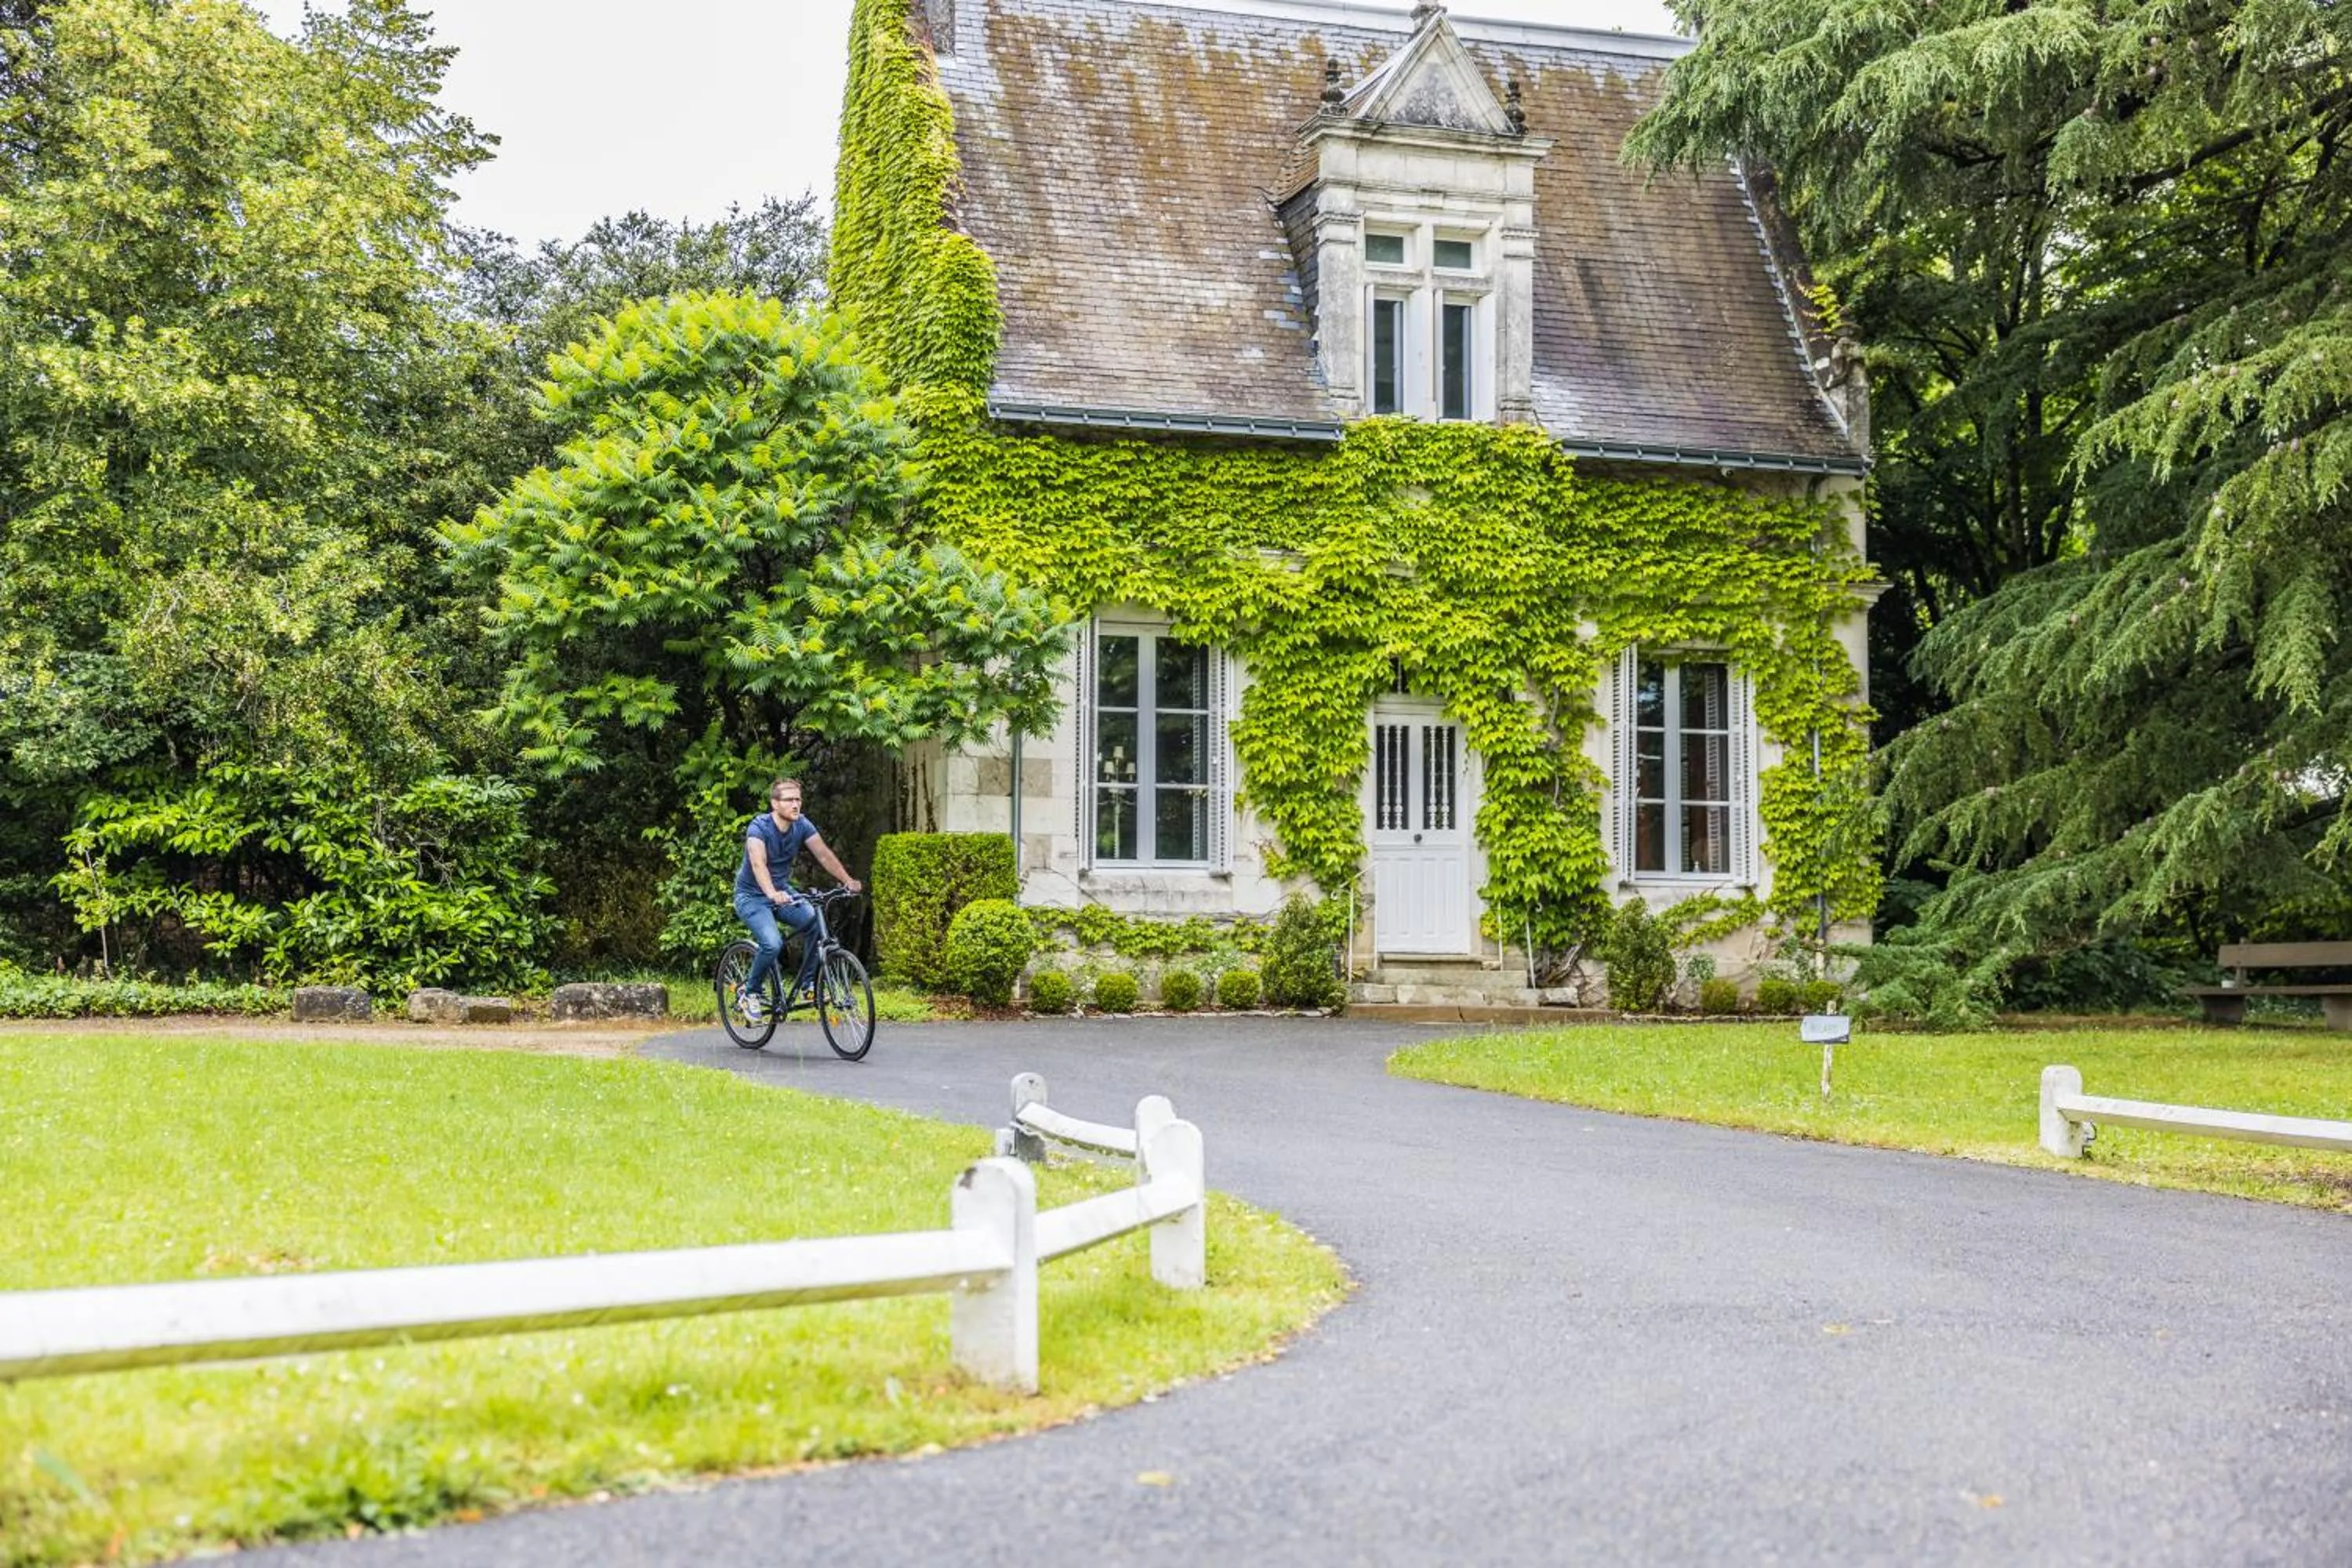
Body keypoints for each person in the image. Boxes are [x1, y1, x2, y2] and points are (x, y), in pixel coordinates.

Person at [734, 777, 862, 1022]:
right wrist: (771, 893)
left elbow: (823, 854)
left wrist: (847, 880)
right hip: (752, 897)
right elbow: (757, 862)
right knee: (772, 944)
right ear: (774, 803)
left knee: (814, 921)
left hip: (782, 891)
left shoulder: (802, 824)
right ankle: (750, 993)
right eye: (789, 800)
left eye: (798, 800)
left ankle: (808, 986)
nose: (796, 804)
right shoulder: (759, 827)